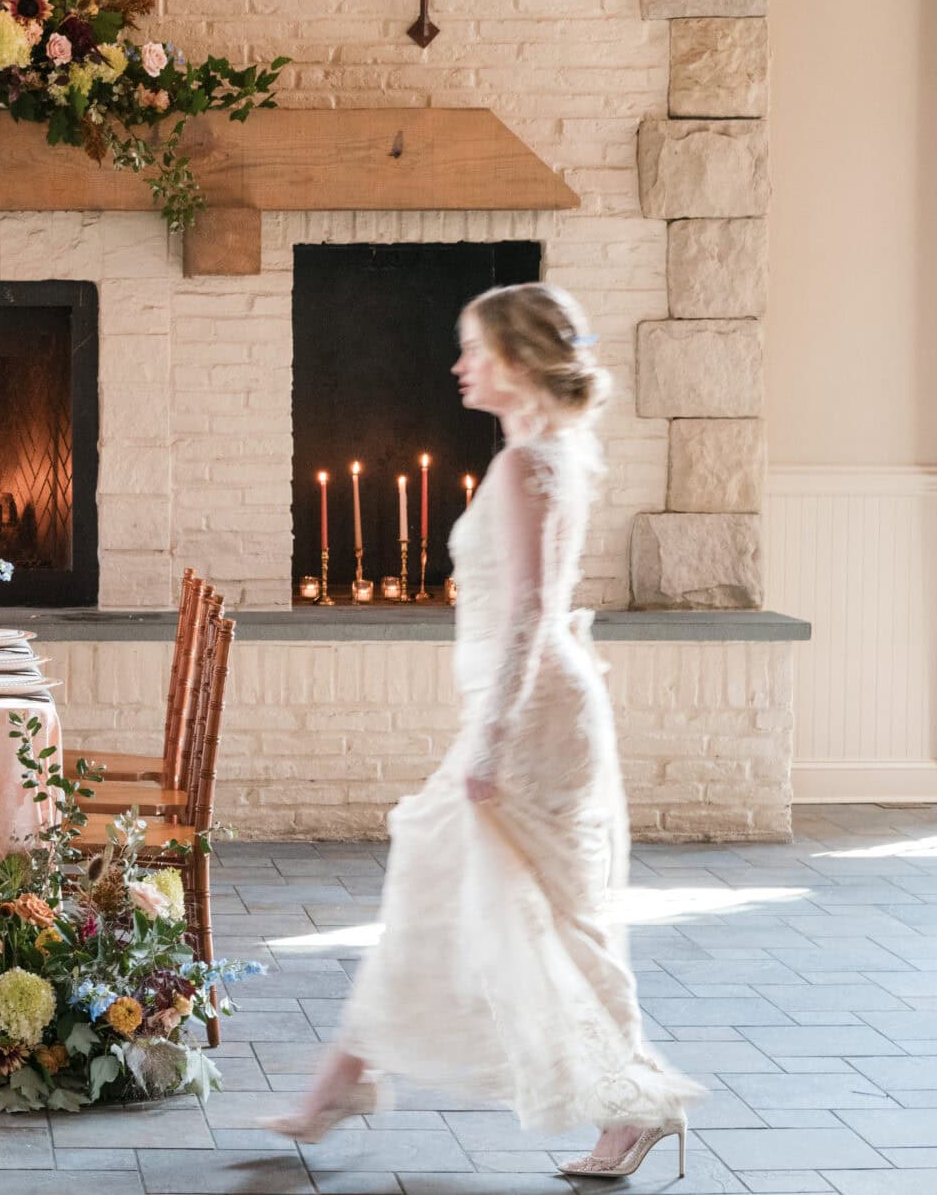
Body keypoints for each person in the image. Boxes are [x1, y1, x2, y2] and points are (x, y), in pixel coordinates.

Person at [263, 283, 700, 1179]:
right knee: (454, 893)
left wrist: (490, 746)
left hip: (531, 722)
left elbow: (531, 617)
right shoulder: (554, 450)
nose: (459, 365)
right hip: (536, 709)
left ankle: (633, 1103)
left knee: (550, 920)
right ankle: (342, 1081)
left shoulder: (523, 465)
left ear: (516, 360)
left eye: (473, 349)